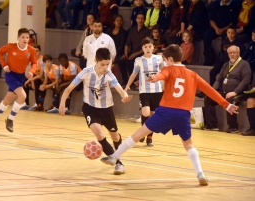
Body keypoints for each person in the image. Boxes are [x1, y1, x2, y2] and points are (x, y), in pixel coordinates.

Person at [100, 44, 239, 186]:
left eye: (165, 60)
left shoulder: (168, 69)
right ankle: (200, 173)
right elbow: (210, 90)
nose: (164, 63)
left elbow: (163, 74)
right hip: (183, 114)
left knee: (140, 133)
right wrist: (226, 104)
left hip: (165, 111)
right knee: (189, 144)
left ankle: (114, 157)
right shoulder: (193, 75)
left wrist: (155, 77)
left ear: (171, 60)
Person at [59, 48, 132, 175]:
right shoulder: (86, 73)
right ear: (95, 61)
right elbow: (68, 89)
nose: (105, 67)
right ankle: (118, 162)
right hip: (90, 109)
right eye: (102, 64)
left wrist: (124, 96)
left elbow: (119, 88)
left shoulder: (109, 74)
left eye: (107, 64)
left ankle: (116, 156)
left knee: (115, 136)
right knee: (99, 133)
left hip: (106, 109)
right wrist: (62, 103)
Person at [0, 28, 37, 132]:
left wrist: (32, 72)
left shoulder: (31, 50)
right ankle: (10, 119)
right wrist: (4, 65)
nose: (25, 39)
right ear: (18, 38)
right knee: (23, 96)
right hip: (10, 75)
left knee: (7, 100)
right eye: (23, 37)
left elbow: (34, 63)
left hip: (21, 76)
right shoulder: (11, 47)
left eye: (27, 37)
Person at [125, 37, 164, 146]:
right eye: (145, 47)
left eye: (150, 46)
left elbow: (165, 73)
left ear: (153, 47)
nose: (148, 49)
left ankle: (149, 137)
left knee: (153, 115)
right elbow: (134, 74)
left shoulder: (159, 59)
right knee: (146, 113)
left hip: (157, 91)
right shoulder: (139, 60)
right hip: (144, 91)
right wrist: (128, 85)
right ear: (142, 48)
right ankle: (142, 133)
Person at [203, 45, 251, 133]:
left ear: (239, 53)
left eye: (234, 53)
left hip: (238, 92)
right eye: (230, 53)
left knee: (229, 99)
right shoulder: (226, 65)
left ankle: (233, 127)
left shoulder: (244, 64)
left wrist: (235, 92)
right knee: (208, 98)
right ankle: (212, 125)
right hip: (224, 91)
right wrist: (213, 91)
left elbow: (246, 80)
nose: (232, 55)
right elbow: (219, 79)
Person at [22, 44, 46, 111]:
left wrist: (32, 80)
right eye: (34, 51)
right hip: (35, 77)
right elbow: (31, 72)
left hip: (43, 78)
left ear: (40, 51)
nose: (35, 53)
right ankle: (26, 103)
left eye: (37, 51)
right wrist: (31, 82)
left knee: (38, 82)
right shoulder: (31, 60)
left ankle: (39, 104)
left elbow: (41, 75)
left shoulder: (42, 60)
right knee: (24, 82)